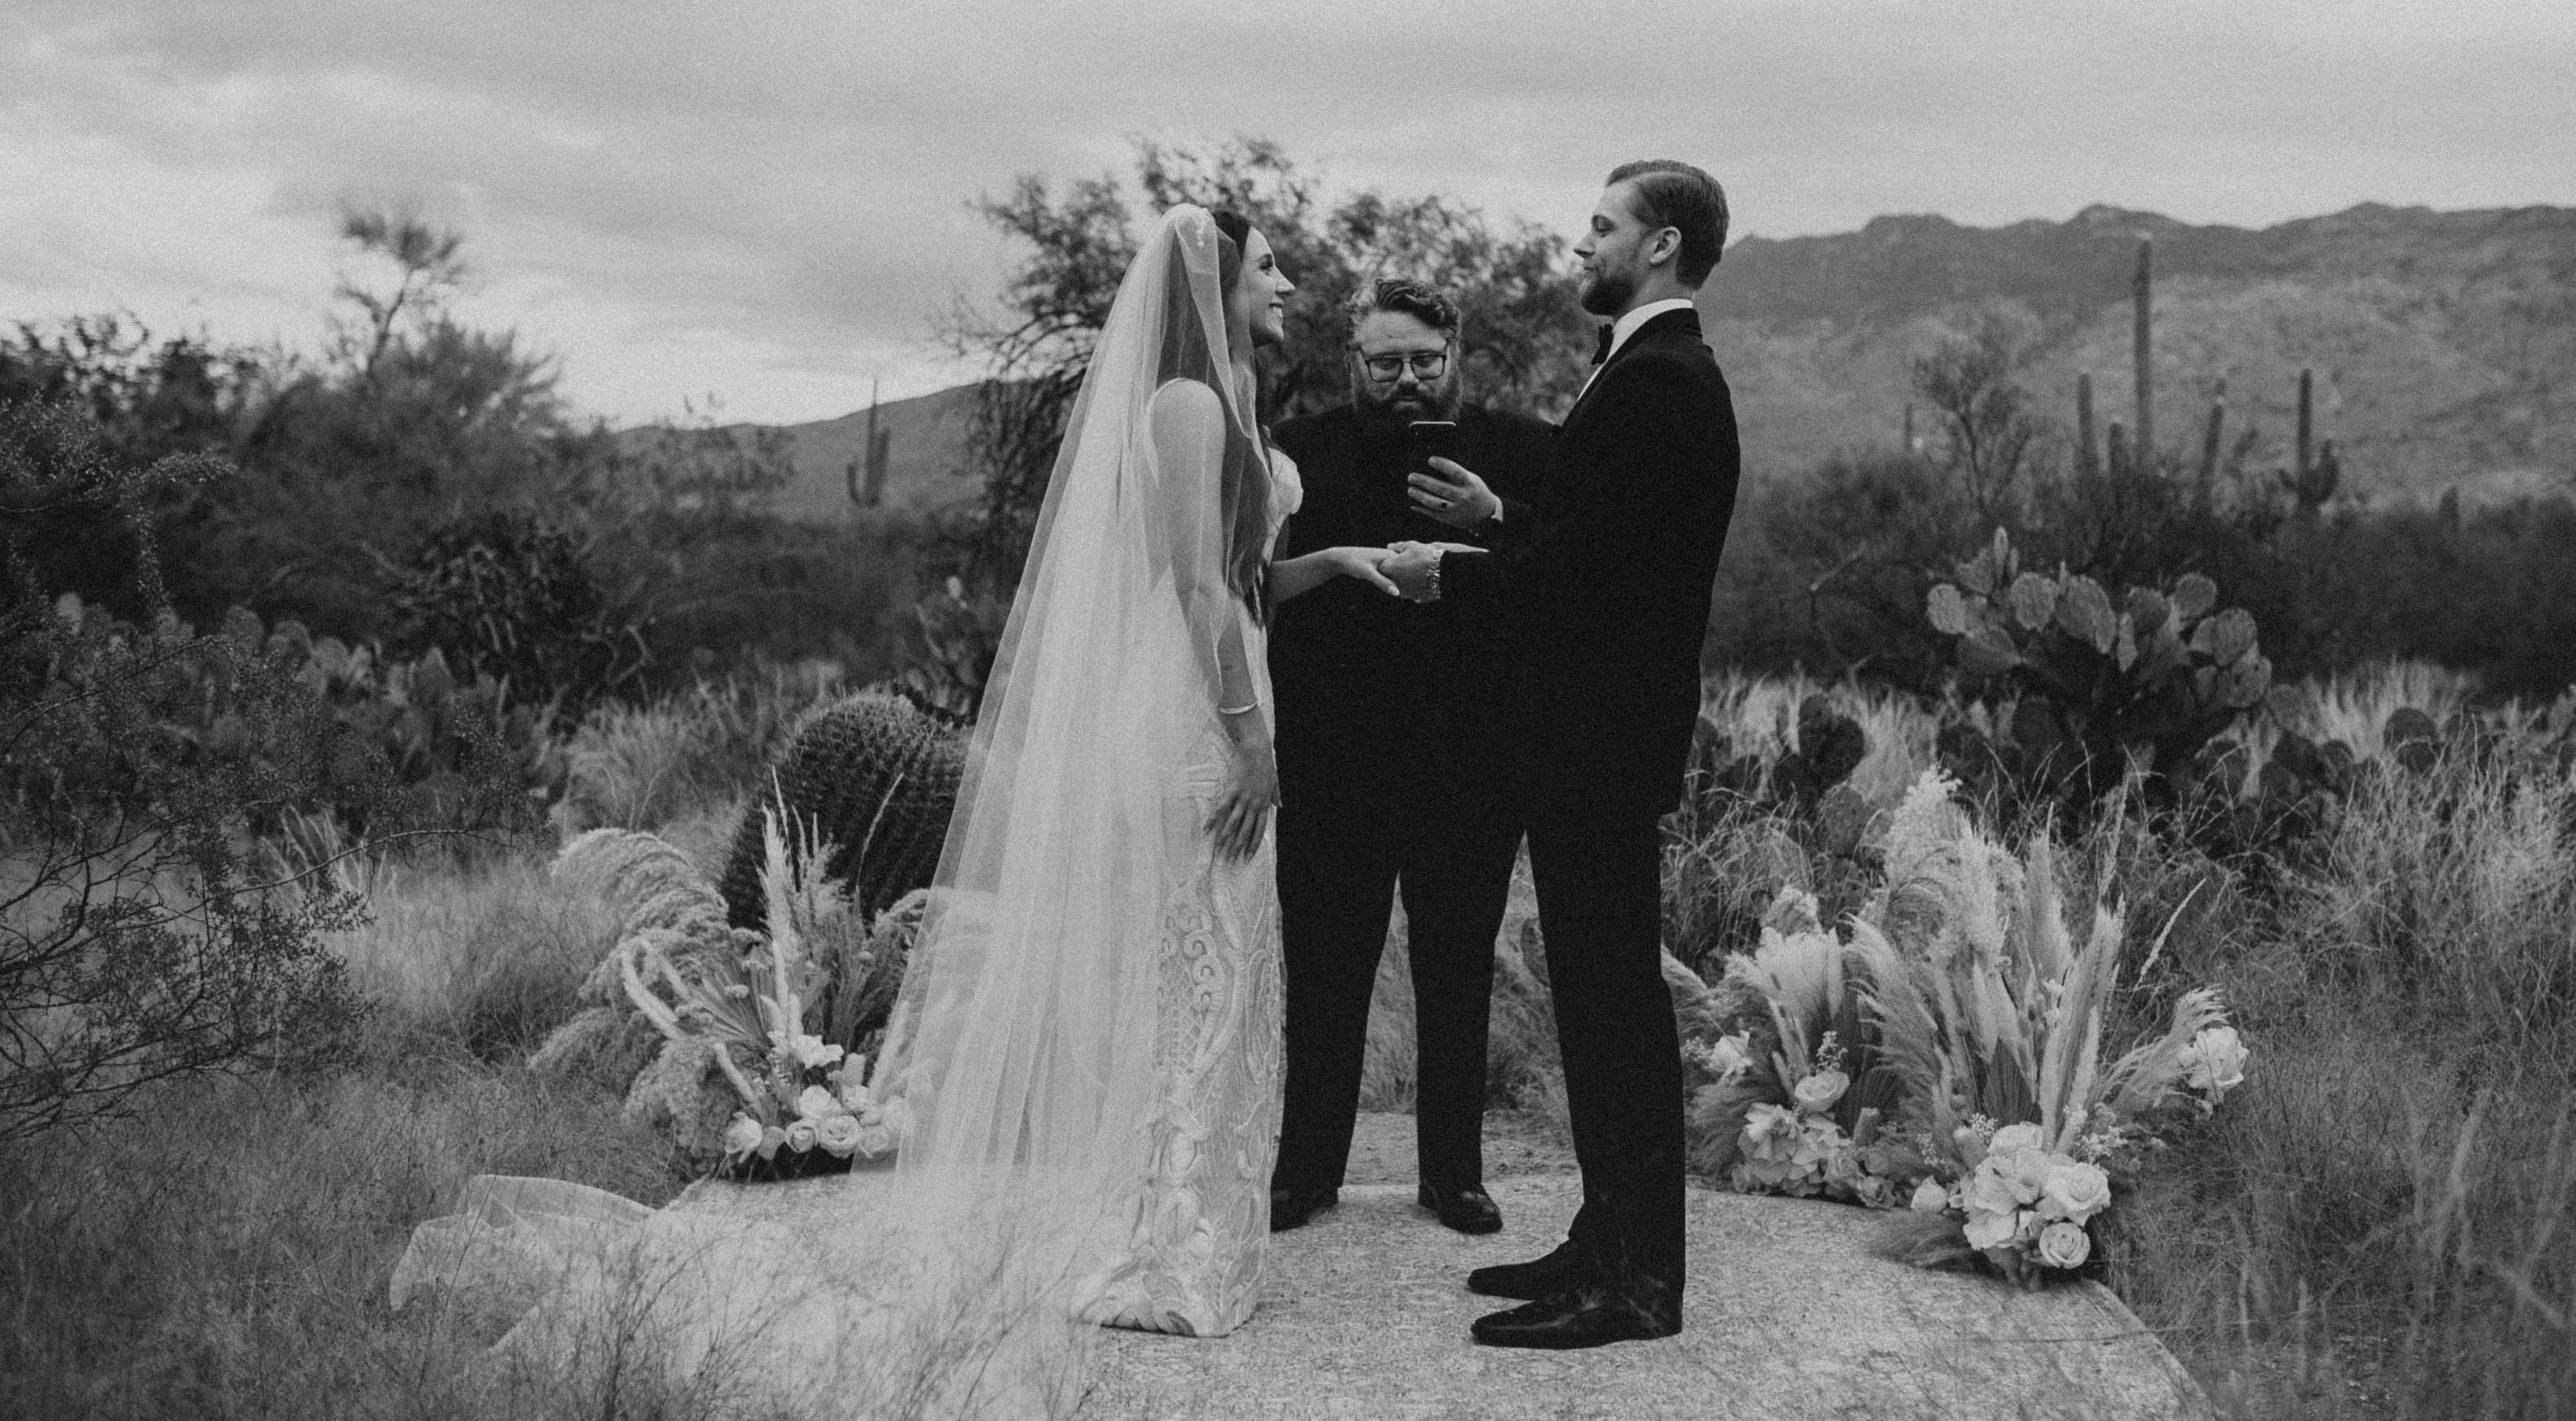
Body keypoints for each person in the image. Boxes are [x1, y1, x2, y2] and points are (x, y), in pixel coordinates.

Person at [392, 207, 1426, 1403]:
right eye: (1270, 266)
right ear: (1214, 283)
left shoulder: (1228, 399)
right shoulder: (1187, 407)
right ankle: (1167, 1251)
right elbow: (1190, 586)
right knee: (1191, 972)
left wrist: (1341, 566)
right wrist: (1248, 740)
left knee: (1225, 972)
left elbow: (1242, 579)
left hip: (1227, 688)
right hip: (1198, 719)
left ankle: (1202, 1232)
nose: (1289, 281)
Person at [1413, 160, 1741, 1350]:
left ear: (1658, 248)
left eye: (1600, 227)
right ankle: (1604, 1240)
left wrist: (1445, 572)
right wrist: (1501, 520)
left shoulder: (1660, 382)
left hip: (1599, 743)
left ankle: (1641, 1282)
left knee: (1614, 1009)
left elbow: (1589, 591)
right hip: (1593, 740)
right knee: (1598, 1001)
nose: (1579, 245)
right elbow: (1602, 549)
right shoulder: (1650, 372)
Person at [1264, 278, 1558, 1239]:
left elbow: (1566, 576)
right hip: (1331, 759)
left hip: (1469, 762)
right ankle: (1306, 1170)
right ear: (1353, 359)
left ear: (1455, 356)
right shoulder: (1296, 451)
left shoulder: (1519, 448)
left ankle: (1455, 1176)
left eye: (1422, 362)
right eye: (1383, 362)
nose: (1403, 380)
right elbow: (1248, 590)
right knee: (1326, 973)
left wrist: (1490, 517)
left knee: (1456, 971)